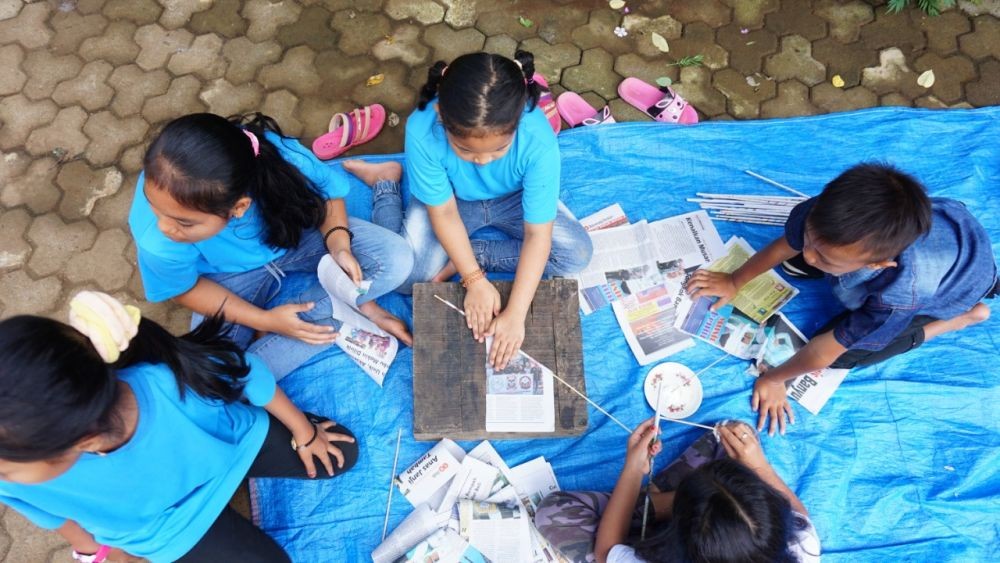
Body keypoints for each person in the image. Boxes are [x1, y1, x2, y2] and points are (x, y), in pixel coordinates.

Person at [0, 291, 358, 562]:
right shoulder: (10, 474)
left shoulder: (168, 384)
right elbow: (55, 517)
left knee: (342, 453)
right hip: (170, 530)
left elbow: (248, 371)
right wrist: (94, 553)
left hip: (234, 448)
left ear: (85, 439)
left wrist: (305, 432)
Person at [686, 163, 998, 435]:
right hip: (951, 227)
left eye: (823, 256)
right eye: (809, 240)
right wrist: (733, 280)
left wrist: (775, 380)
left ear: (876, 265)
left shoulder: (899, 296)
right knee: (800, 255)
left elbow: (822, 353)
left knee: (846, 355)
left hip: (957, 285)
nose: (808, 255)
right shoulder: (825, 214)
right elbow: (789, 244)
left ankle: (963, 318)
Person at [341, 50, 593, 370]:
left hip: (514, 199)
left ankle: (475, 251)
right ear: (442, 118)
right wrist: (473, 280)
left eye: (499, 149)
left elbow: (537, 233)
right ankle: (385, 182)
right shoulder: (423, 128)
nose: (483, 161)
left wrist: (515, 314)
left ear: (518, 122)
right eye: (465, 150)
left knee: (576, 256)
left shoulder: (537, 138)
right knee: (408, 279)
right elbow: (444, 213)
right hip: (452, 201)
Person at [129, 113, 414, 380]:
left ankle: (317, 320)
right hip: (227, 278)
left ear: (239, 208)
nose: (165, 227)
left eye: (184, 222)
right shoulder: (157, 235)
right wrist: (264, 320)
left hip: (297, 238)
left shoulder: (278, 157)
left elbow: (328, 195)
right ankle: (337, 313)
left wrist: (339, 244)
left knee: (396, 259)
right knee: (214, 372)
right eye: (154, 207)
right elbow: (185, 288)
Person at [534, 419, 820, 563]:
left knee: (552, 513)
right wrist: (759, 464)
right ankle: (669, 500)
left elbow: (607, 551)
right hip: (690, 520)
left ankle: (654, 503)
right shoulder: (801, 547)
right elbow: (800, 516)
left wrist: (633, 471)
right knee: (734, 434)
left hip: (653, 532)